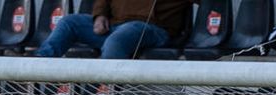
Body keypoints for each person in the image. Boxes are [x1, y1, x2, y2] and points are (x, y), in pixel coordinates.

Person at [35, 0, 193, 59]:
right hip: (114, 25)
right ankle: (35, 70)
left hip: (153, 29)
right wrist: (99, 16)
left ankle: (102, 94)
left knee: (118, 39)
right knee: (69, 22)